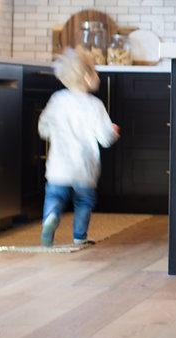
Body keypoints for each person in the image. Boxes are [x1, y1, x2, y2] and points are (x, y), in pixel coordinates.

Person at [38, 48, 119, 246]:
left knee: (55, 196)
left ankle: (51, 217)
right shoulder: (95, 105)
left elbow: (44, 126)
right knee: (83, 203)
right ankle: (79, 237)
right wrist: (113, 132)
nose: (98, 75)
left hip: (59, 166)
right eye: (95, 71)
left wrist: (50, 133)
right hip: (85, 168)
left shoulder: (58, 100)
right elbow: (105, 138)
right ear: (87, 77)